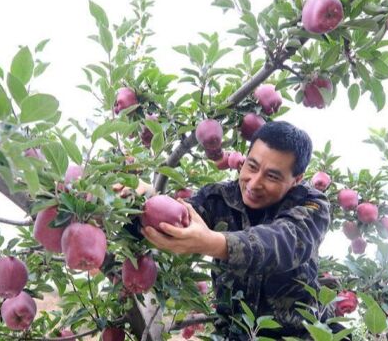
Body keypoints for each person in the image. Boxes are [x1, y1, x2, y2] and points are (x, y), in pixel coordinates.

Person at [141, 120, 337, 339]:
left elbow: (286, 242)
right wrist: (142, 200)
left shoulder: (311, 204)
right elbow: (179, 215)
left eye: (272, 176)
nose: (253, 183)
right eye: (251, 166)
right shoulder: (217, 198)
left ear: (296, 180)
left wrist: (214, 243)